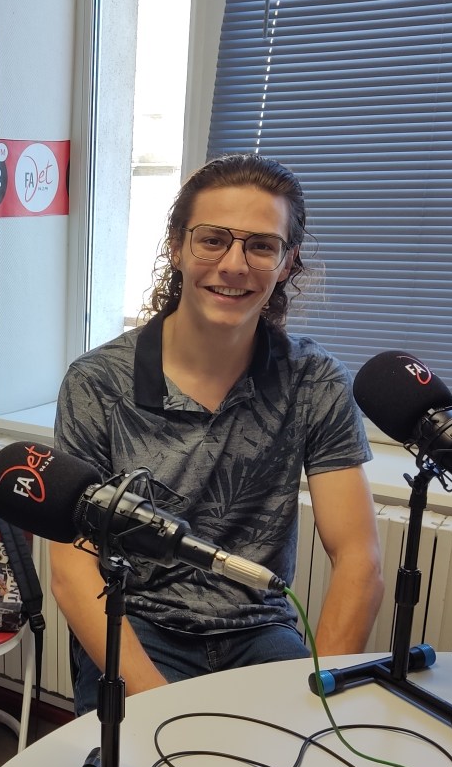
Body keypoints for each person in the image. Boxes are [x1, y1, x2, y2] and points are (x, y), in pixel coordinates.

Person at [51, 153, 384, 716]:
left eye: (260, 245)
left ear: (286, 263)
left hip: (260, 631)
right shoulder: (98, 381)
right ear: (178, 247)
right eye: (213, 240)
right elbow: (71, 569)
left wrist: (319, 703)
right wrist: (158, 705)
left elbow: (359, 558)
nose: (234, 264)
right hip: (138, 626)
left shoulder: (312, 379)